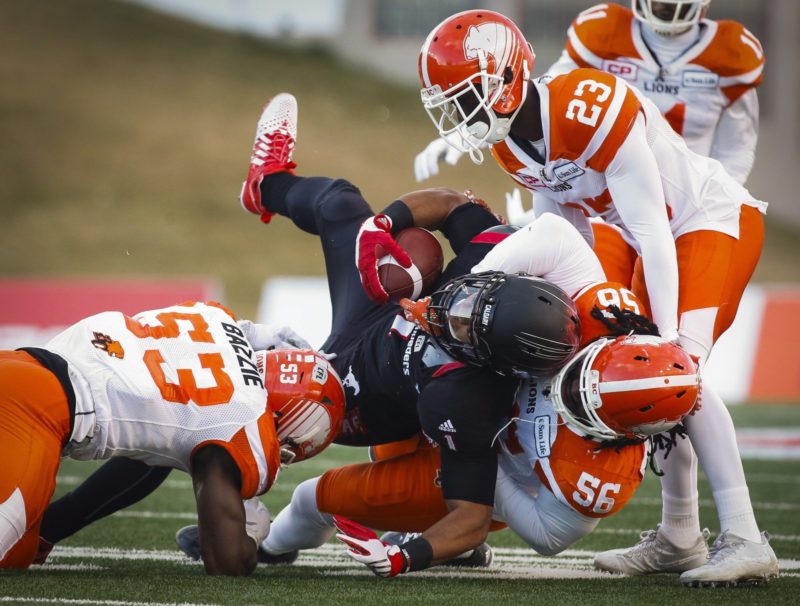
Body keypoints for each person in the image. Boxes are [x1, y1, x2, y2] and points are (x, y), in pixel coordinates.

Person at [34, 93, 582, 574]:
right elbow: (454, 203)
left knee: (189, 413)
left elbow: (471, 511)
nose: (446, 310)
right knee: (346, 207)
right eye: (465, 298)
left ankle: (55, 527)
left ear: (489, 360)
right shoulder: (495, 258)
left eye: (461, 326)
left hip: (346, 405)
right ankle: (267, 183)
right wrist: (385, 225)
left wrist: (412, 553)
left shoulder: (464, 396)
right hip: (369, 324)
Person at [416, 8, 777, 586]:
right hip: (643, 237)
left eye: (466, 98)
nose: (462, 116)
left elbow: (656, 230)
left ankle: (744, 536)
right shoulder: (513, 145)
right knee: (646, 376)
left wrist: (662, 339)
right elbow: (563, 240)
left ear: (507, 79)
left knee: (675, 373)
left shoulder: (587, 107)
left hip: (705, 221)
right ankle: (681, 533)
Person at [416, 0, 764, 290]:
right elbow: (535, 89)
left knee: (678, 325)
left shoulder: (733, 54)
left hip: (684, 197)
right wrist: (468, 131)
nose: (664, 9)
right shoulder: (603, 31)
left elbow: (736, 148)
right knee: (599, 302)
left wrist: (716, 212)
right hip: (607, 198)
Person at [0, 300, 345, 575]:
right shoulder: (244, 419)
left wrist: (51, 528)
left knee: (24, 545)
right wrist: (252, 531)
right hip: (33, 412)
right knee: (9, 556)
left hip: (19, 365)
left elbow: (156, 454)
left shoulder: (215, 319)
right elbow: (227, 563)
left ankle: (45, 531)